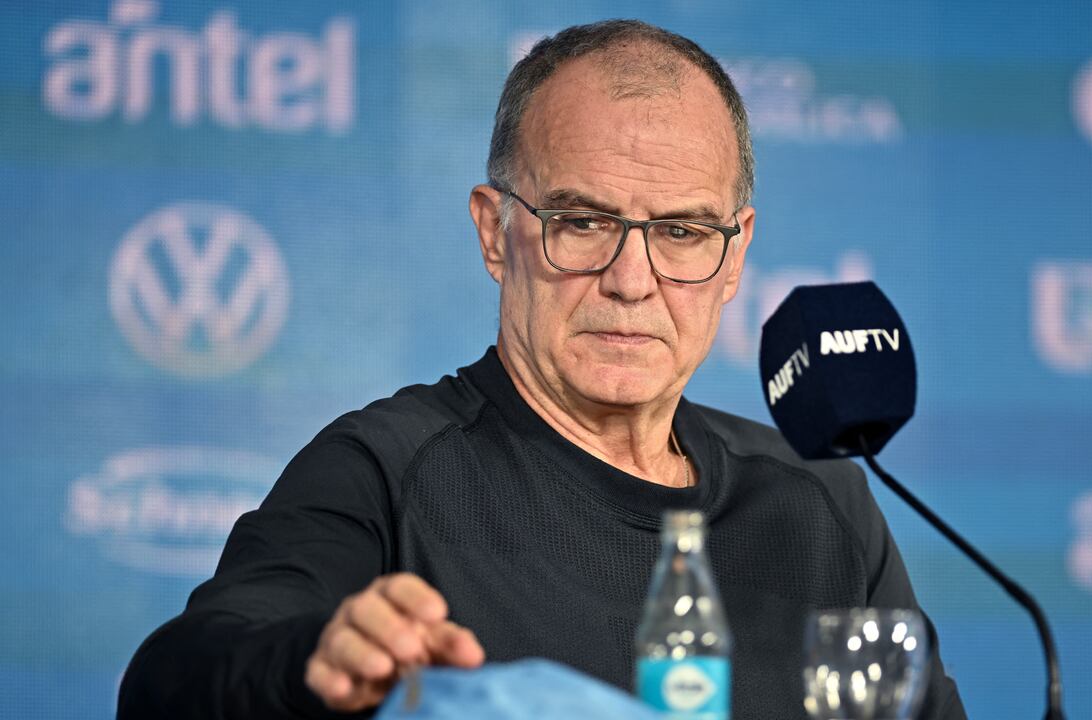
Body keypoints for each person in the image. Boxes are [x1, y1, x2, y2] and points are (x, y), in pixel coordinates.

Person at [119, 19, 966, 719]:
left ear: (736, 254)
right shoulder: (384, 468)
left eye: (682, 232)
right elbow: (171, 683)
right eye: (584, 221)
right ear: (495, 232)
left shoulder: (823, 503)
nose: (632, 282)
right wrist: (313, 662)